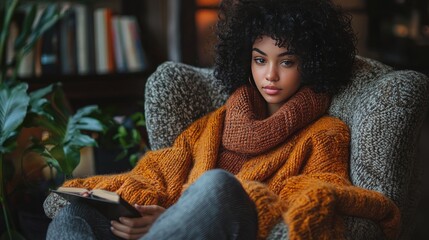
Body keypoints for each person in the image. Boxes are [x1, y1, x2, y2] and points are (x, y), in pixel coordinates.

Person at [45, 0, 401, 239]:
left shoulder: (326, 132)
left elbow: (317, 190)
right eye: (260, 60)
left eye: (287, 62)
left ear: (313, 63)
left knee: (217, 185)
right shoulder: (216, 121)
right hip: (175, 228)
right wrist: (131, 203)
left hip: (240, 225)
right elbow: (159, 170)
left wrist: (169, 218)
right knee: (73, 217)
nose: (270, 75)